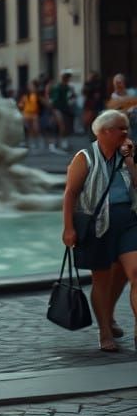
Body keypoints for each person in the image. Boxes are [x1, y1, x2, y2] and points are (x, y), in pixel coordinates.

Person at [62, 109, 137, 352]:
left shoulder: (126, 156)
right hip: (98, 226)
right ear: (104, 132)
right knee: (102, 280)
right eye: (120, 128)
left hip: (128, 220)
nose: (125, 132)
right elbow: (70, 193)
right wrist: (68, 228)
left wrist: (131, 160)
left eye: (127, 127)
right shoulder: (84, 157)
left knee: (134, 271)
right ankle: (105, 330)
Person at [49, 70, 76, 152]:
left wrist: (72, 97)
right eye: (66, 77)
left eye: (68, 77)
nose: (68, 79)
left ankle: (63, 143)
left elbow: (72, 96)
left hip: (65, 108)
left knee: (65, 125)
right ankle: (56, 144)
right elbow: (54, 99)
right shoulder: (58, 87)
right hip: (57, 108)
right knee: (61, 125)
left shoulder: (68, 87)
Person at [18, 80, 43, 149]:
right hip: (26, 114)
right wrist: (20, 106)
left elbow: (42, 103)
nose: (30, 87)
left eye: (32, 86)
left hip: (35, 114)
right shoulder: (26, 95)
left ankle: (38, 140)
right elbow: (21, 104)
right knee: (30, 129)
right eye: (30, 86)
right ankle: (32, 142)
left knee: (36, 128)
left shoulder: (37, 95)